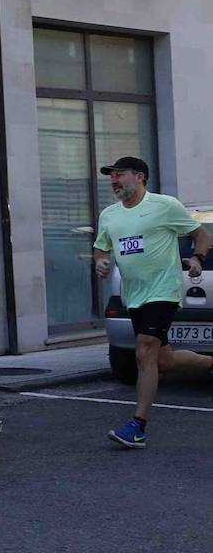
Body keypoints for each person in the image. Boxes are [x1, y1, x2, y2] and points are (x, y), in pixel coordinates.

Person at [93, 156, 212, 448]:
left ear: (140, 177)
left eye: (120, 174)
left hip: (163, 292)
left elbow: (202, 234)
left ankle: (137, 426)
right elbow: (100, 248)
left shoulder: (164, 205)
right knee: (163, 360)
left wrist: (197, 259)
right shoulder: (109, 215)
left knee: (144, 352)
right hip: (134, 296)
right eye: (112, 176)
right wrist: (101, 262)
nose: (114, 180)